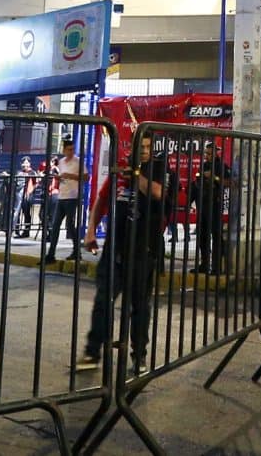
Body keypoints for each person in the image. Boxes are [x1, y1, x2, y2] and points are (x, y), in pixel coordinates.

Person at [77, 130, 169, 377]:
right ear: (132, 148)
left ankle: (139, 355)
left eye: (148, 147)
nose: (145, 151)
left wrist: (136, 176)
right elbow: (101, 200)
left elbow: (158, 193)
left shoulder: (157, 169)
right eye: (141, 147)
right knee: (103, 300)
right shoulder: (119, 172)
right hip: (115, 249)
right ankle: (92, 352)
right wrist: (91, 230)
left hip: (143, 251)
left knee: (140, 306)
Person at [43, 144, 85, 264]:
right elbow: (62, 177)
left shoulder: (78, 162)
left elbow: (86, 177)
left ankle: (77, 252)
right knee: (55, 225)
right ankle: (51, 254)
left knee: (70, 225)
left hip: (72, 197)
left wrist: (70, 176)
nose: (71, 152)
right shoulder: (61, 162)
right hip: (62, 196)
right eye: (69, 149)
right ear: (64, 150)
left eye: (73, 149)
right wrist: (59, 178)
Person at [192, 147, 230, 274]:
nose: (206, 156)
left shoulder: (221, 166)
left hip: (215, 204)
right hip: (203, 204)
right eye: (205, 153)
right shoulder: (204, 166)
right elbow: (198, 181)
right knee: (202, 235)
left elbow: (229, 182)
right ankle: (204, 264)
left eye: (209, 154)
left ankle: (216, 267)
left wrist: (214, 178)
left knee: (216, 236)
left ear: (215, 154)